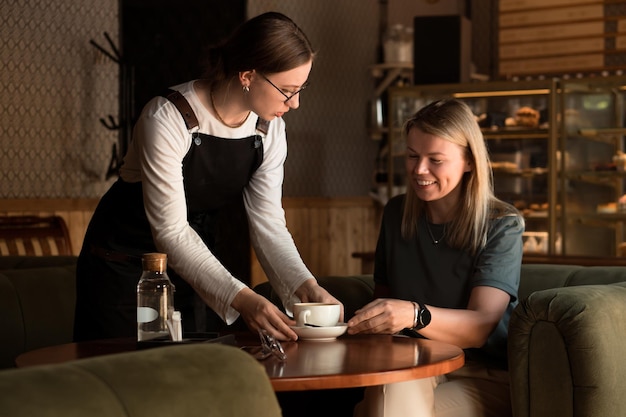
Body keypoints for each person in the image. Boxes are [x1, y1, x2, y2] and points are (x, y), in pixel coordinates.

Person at [73, 11, 342, 343]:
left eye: (302, 89)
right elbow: (170, 231)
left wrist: (307, 286)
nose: (296, 103)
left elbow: (269, 223)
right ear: (248, 75)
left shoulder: (269, 130)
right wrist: (243, 300)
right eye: (288, 90)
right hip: (123, 268)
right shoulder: (167, 117)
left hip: (192, 267)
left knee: (188, 378)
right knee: (123, 379)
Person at [347, 99, 524, 417]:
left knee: (377, 410)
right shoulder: (396, 214)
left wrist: (414, 314)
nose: (419, 170)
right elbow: (382, 303)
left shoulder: (502, 224)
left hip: (483, 372)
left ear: (469, 161)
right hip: (412, 361)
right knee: (387, 397)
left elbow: (481, 326)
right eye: (412, 156)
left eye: (435, 160)